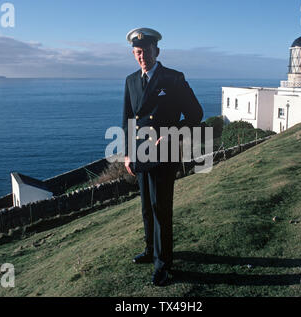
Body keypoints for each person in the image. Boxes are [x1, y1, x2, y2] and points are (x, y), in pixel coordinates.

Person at [122, 27, 203, 286]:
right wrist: (126, 153)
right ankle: (150, 250)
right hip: (139, 153)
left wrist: (173, 133)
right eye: (137, 52)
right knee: (146, 207)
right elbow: (127, 120)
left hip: (164, 152)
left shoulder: (173, 78)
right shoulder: (132, 80)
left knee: (161, 210)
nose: (141, 56)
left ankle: (163, 263)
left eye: (145, 51)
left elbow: (195, 114)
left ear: (157, 51)